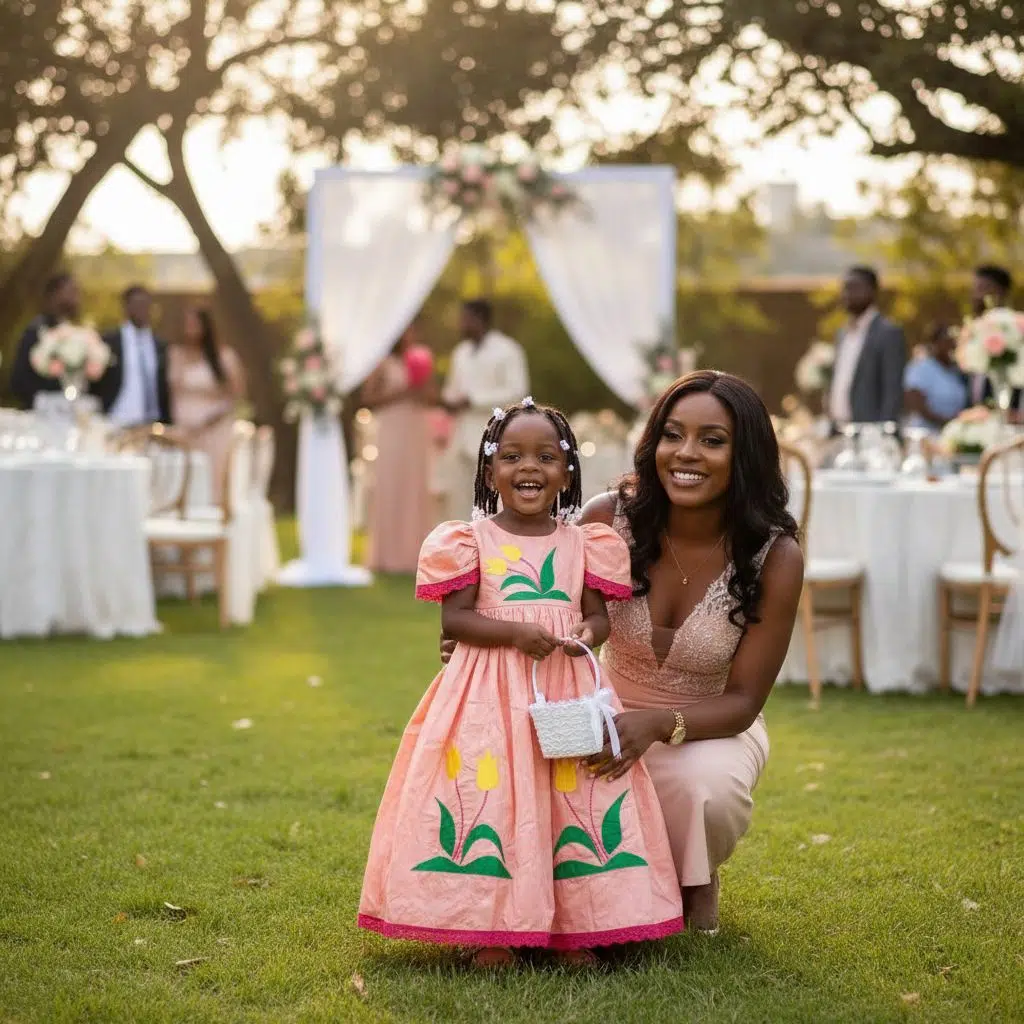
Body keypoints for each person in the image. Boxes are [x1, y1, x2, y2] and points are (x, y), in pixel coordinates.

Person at [443, 372, 804, 934]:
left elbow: (744, 701)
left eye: (712, 440)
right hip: (594, 709)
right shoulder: (608, 520)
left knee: (702, 787)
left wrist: (655, 724)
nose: (686, 453)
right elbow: (542, 606)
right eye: (673, 435)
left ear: (746, 454)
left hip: (706, 724)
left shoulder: (774, 556)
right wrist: (476, 633)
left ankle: (694, 880)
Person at [359, 399, 683, 966]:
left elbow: (598, 618)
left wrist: (587, 627)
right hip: (489, 693)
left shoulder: (584, 542)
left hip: (564, 684)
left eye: (545, 457)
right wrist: (514, 633)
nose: (528, 467)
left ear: (566, 473)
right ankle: (495, 932)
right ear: (490, 473)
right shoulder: (470, 540)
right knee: (497, 796)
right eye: (511, 456)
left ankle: (575, 927)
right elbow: (456, 621)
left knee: (572, 791)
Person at [440, 299, 529, 521]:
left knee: (491, 496)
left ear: (479, 319)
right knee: (459, 497)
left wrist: (473, 400)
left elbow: (518, 390)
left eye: (465, 319)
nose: (461, 324)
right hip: (460, 435)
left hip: (493, 432)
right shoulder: (460, 352)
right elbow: (452, 389)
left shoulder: (507, 350)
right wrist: (446, 401)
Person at [360, 320, 434, 574]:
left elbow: (430, 396)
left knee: (414, 486)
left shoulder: (420, 359)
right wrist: (402, 393)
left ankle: (415, 552)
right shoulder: (382, 363)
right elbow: (368, 399)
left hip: (415, 427)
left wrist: (422, 388)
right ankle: (387, 554)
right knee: (390, 484)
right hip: (391, 428)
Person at [168, 307, 246, 501]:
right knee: (185, 479)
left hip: (214, 431)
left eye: (195, 323)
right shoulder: (175, 354)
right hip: (184, 431)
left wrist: (209, 420)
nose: (190, 328)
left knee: (214, 479)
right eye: (187, 323)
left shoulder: (223, 357)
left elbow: (236, 395)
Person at [828, 266, 907, 426]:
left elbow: (892, 391)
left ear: (872, 291)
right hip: (840, 428)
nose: (847, 294)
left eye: (853, 288)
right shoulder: (843, 334)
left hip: (870, 432)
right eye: (845, 289)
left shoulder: (888, 333)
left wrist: (885, 431)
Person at [94, 284, 172, 426]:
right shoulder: (110, 342)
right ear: (126, 307)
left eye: (145, 304)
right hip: (116, 420)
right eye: (136, 304)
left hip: (153, 425)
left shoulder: (160, 345)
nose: (141, 309)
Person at [9, 272, 84, 408]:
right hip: (41, 412)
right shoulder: (36, 331)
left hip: (72, 409)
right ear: (53, 294)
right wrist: (42, 399)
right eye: (71, 291)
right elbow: (18, 379)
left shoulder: (79, 333)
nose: (76, 297)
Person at [966, 265, 1021, 413]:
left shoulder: (1015, 328)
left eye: (983, 288)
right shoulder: (972, 329)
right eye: (975, 288)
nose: (977, 295)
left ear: (1002, 291)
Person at [902, 323, 969, 432]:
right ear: (935, 343)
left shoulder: (957, 372)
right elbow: (915, 403)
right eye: (946, 341)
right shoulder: (920, 368)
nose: (951, 345)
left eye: (954, 341)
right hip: (926, 434)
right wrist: (947, 423)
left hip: (955, 434)